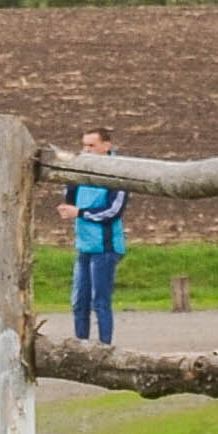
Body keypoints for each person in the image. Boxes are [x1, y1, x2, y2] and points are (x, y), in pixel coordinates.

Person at [68, 134, 128, 345]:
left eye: (92, 145)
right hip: (84, 245)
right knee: (79, 301)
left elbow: (113, 210)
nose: (87, 150)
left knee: (100, 301)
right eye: (84, 145)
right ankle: (81, 347)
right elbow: (70, 196)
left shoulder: (119, 171)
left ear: (106, 146)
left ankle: (104, 347)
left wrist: (80, 213)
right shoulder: (82, 169)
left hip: (105, 247)